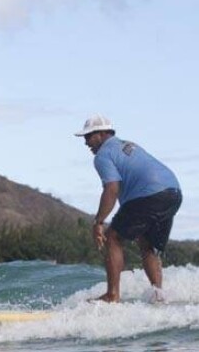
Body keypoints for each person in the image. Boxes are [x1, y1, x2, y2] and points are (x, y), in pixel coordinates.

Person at [75, 114, 182, 303]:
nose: (86, 143)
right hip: (173, 193)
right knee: (148, 245)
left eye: (88, 137)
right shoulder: (128, 145)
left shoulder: (103, 155)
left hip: (150, 195)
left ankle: (112, 295)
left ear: (101, 134)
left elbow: (112, 188)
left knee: (113, 238)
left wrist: (98, 222)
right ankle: (158, 295)